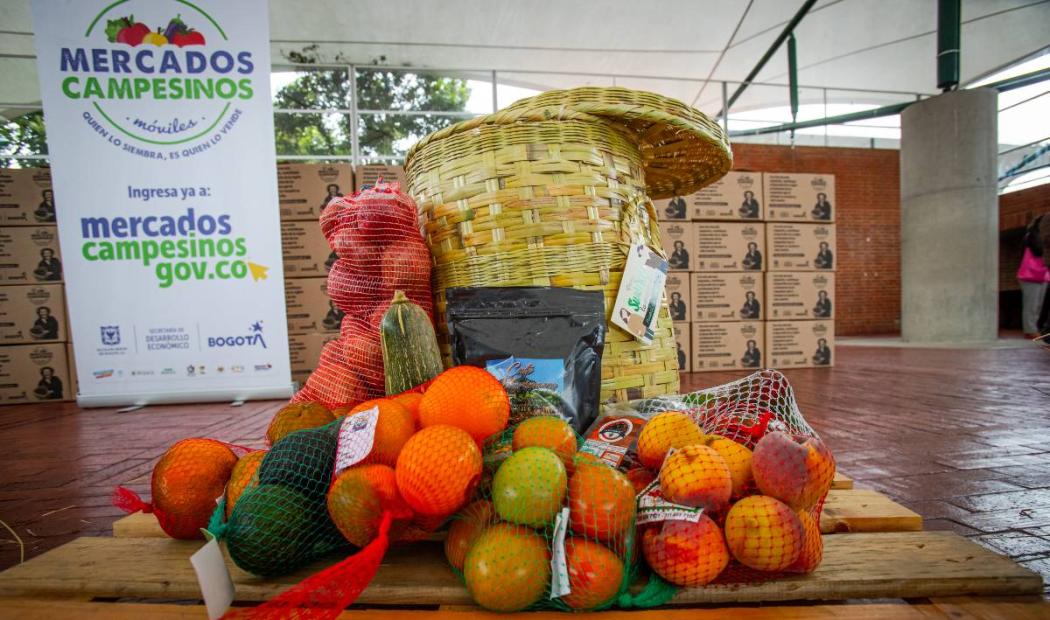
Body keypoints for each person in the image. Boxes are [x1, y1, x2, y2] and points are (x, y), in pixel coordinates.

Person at [1018, 215, 1050, 338]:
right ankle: (1030, 330)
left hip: (1042, 274)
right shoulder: (1031, 235)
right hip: (1030, 274)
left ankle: (1033, 329)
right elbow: (1038, 250)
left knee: (1038, 305)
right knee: (1031, 304)